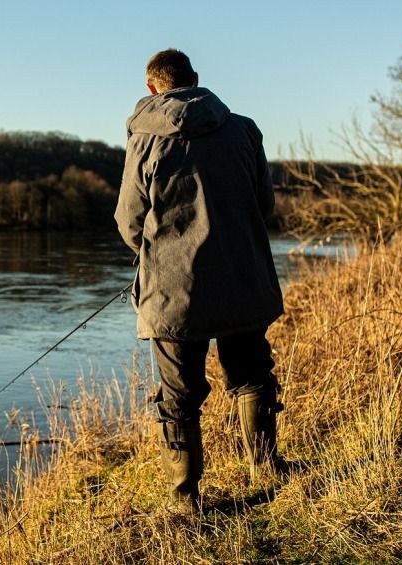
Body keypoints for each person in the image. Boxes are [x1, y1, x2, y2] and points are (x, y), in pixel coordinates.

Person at [115, 49, 286, 515]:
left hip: (173, 292)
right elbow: (263, 205)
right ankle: (267, 469)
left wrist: (157, 254)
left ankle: (185, 499)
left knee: (179, 395)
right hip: (242, 279)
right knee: (251, 373)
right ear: (195, 79)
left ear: (152, 88)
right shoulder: (245, 129)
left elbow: (129, 222)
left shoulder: (143, 139)